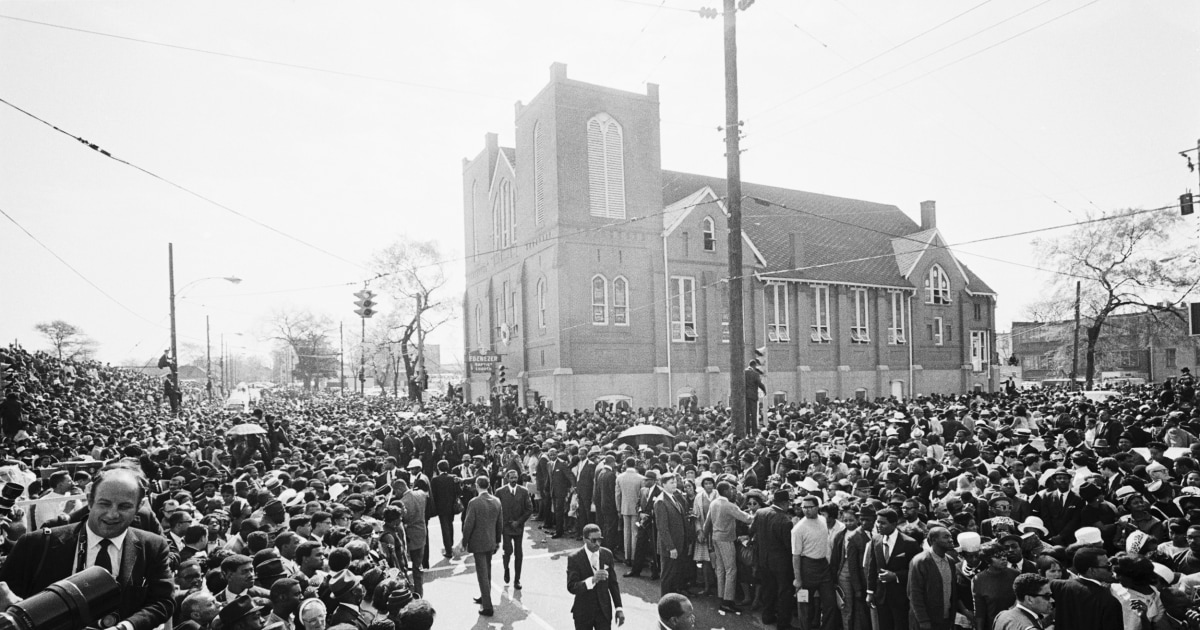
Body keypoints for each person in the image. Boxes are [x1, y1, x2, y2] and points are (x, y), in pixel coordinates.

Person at [0, 466, 176, 630]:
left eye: (124, 506)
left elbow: (162, 602)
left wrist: (125, 627)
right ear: (90, 501)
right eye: (104, 504)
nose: (113, 514)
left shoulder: (153, 546)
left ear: (139, 506)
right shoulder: (36, 543)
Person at [865, 507, 920, 630]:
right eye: (877, 522)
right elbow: (872, 567)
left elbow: (915, 573)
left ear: (894, 524)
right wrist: (870, 592)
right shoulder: (876, 539)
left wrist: (895, 576)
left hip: (901, 597)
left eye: (883, 523)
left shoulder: (909, 543)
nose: (878, 525)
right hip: (881, 597)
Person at [704, 479, 753, 613]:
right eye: (731, 490)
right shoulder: (729, 505)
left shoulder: (714, 502)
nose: (733, 492)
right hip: (726, 539)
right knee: (731, 569)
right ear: (725, 491)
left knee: (720, 569)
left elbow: (708, 522)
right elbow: (747, 518)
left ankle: (721, 597)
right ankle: (728, 601)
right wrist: (757, 514)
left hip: (715, 538)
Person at [907, 526, 969, 630]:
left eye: (950, 536)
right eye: (946, 537)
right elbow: (914, 593)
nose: (950, 539)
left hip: (944, 620)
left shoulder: (950, 561)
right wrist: (923, 621)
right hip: (925, 622)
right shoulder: (920, 561)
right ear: (933, 540)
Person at [566, 523, 625, 629]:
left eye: (600, 539)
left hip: (603, 612)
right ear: (585, 539)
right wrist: (592, 580)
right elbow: (571, 586)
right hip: (583, 613)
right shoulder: (574, 558)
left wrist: (619, 608)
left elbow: (613, 583)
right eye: (594, 540)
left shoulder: (607, 554)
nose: (597, 543)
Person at [1048, 547, 1123, 630]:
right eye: (1107, 566)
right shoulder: (1109, 602)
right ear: (1092, 570)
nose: (1111, 569)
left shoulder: (1058, 586)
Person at [791, 495, 837, 630]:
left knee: (830, 604)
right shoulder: (798, 529)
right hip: (806, 568)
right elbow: (796, 556)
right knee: (804, 604)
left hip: (823, 567)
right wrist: (798, 579)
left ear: (817, 507)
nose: (806, 510)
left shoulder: (823, 520)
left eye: (810, 507)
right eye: (804, 507)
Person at [754, 488, 796, 628]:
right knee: (784, 592)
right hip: (781, 563)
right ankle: (783, 624)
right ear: (785, 503)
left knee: (768, 589)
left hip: (763, 559)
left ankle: (767, 616)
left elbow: (751, 531)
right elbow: (789, 546)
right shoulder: (785, 520)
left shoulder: (760, 512)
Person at [461, 475, 502, 617]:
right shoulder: (496, 501)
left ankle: (487, 606)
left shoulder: (474, 502)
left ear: (477, 485)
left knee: (482, 574)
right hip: (491, 541)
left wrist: (464, 542)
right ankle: (485, 597)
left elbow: (468, 525)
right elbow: (499, 523)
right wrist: (497, 541)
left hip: (478, 542)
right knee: (488, 571)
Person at [830, 504, 869, 630]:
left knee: (860, 604)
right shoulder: (840, 536)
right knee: (846, 605)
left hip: (861, 570)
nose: (848, 523)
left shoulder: (864, 534)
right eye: (845, 520)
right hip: (844, 570)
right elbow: (835, 559)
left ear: (858, 519)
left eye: (851, 520)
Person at [497, 468, 534, 589]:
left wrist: (518, 522)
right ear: (507, 479)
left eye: (515, 477)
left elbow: (529, 509)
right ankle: (506, 568)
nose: (513, 480)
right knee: (507, 551)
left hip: (518, 527)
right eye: (511, 478)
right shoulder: (500, 492)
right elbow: (496, 509)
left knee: (519, 553)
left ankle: (517, 579)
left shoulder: (523, 491)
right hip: (506, 528)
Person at [653, 472, 688, 597]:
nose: (675, 484)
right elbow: (662, 528)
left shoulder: (674, 497)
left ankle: (672, 603)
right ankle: (665, 604)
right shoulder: (661, 502)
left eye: (675, 482)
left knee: (675, 576)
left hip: (678, 543)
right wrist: (671, 547)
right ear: (663, 485)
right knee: (667, 576)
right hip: (670, 546)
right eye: (671, 483)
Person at [614, 457, 645, 565]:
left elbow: (617, 495)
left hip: (624, 507)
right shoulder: (641, 478)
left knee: (626, 532)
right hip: (637, 508)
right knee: (635, 532)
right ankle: (634, 557)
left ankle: (627, 557)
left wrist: (618, 508)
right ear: (635, 464)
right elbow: (643, 495)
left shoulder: (620, 477)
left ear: (626, 464)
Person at [429, 459, 459, 558]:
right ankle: (450, 544)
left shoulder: (435, 480)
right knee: (450, 525)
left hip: (441, 507)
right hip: (452, 506)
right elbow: (458, 491)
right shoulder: (453, 478)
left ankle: (448, 550)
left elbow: (433, 495)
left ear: (438, 468)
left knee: (444, 527)